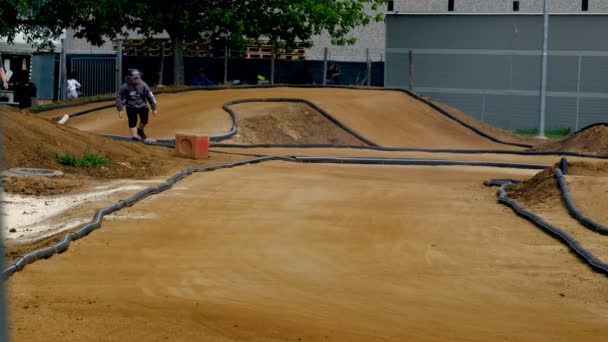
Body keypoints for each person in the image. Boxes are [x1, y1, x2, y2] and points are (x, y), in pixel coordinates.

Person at [116, 69, 158, 141]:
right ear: (130, 78)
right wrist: (120, 109)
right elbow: (119, 97)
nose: (137, 79)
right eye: (135, 78)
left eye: (138, 77)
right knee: (132, 122)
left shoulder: (143, 85)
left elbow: (150, 96)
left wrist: (154, 108)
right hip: (131, 106)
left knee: (144, 121)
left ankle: (140, 130)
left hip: (142, 106)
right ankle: (134, 138)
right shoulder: (125, 86)